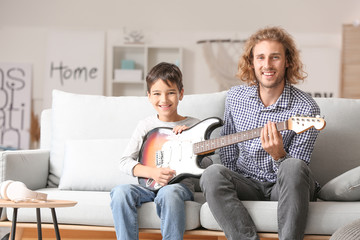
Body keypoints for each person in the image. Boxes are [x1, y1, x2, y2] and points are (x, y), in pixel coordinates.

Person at [200, 26, 321, 240]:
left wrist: (279, 156)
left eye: (275, 57)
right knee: (212, 173)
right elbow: (228, 148)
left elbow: (298, 169)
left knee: (292, 165)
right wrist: (232, 179)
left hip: (282, 185)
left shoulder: (306, 108)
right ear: (252, 62)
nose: (267, 65)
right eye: (261, 58)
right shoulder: (236, 97)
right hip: (247, 183)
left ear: (288, 61)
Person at [110, 62, 200, 240]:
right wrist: (153, 172)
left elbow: (207, 165)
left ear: (181, 94)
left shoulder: (194, 125)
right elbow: (124, 162)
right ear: (149, 96)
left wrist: (188, 140)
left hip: (179, 188)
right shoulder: (145, 125)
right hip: (148, 188)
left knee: (169, 192)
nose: (164, 100)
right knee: (120, 192)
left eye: (171, 93)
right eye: (157, 94)